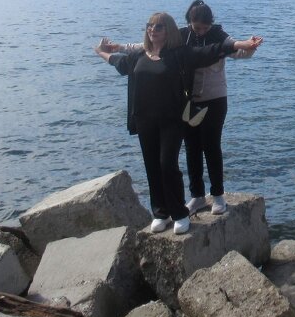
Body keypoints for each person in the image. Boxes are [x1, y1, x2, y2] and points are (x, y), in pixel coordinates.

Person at [94, 12, 263, 235]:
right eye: (150, 26)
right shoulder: (139, 55)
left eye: (159, 27)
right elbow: (120, 63)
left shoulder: (179, 54)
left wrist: (244, 44)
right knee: (152, 166)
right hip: (144, 120)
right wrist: (101, 52)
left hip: (172, 120)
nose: (153, 30)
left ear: (169, 31)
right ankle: (160, 213)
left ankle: (180, 213)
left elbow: (213, 50)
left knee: (167, 165)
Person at [177, 0, 255, 216]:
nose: (201, 32)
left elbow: (237, 50)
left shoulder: (219, 35)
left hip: (215, 99)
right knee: (191, 148)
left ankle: (218, 195)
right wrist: (121, 48)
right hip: (189, 100)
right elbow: (153, 46)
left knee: (211, 146)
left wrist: (250, 48)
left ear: (211, 24)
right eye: (197, 27)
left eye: (205, 27)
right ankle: (197, 196)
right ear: (190, 22)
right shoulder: (183, 35)